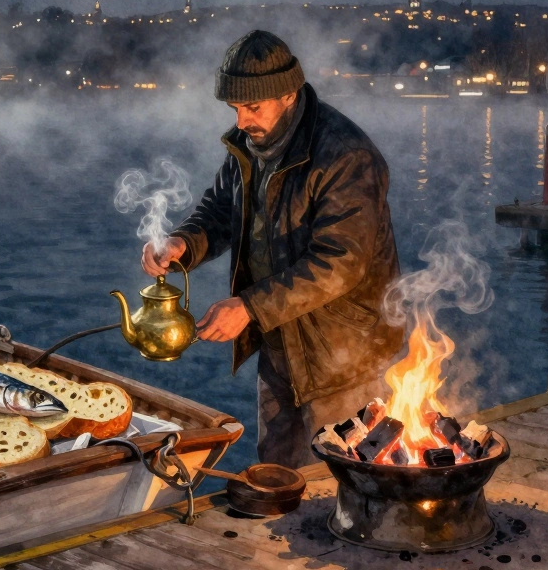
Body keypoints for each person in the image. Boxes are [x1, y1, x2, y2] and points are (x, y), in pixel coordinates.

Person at [142, 30, 403, 469]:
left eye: (252, 107)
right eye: (235, 109)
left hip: (344, 356)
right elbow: (222, 210)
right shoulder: (250, 144)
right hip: (279, 342)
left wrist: (248, 307)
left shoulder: (346, 155)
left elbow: (340, 264)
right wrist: (183, 243)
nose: (241, 121)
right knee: (278, 476)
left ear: (287, 94)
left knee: (345, 481)